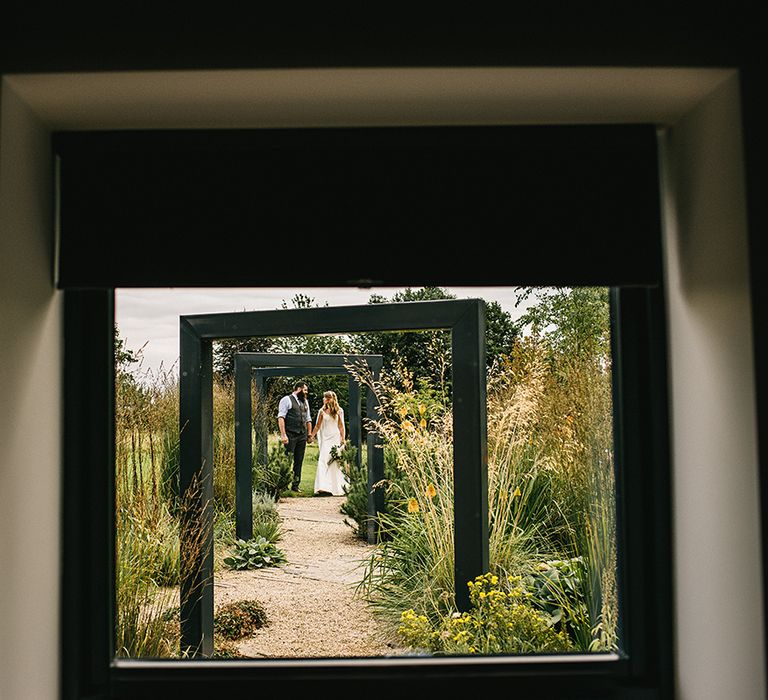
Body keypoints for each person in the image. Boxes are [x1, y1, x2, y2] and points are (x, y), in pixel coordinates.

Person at [309, 390, 348, 496]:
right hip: (325, 438)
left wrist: (343, 439)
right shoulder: (322, 411)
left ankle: (334, 487)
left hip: (335, 438)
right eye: (325, 397)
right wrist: (311, 436)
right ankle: (322, 487)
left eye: (327, 397)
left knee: (334, 462)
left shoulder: (339, 411)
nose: (325, 399)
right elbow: (317, 426)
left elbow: (341, 426)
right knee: (323, 461)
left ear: (332, 399)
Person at [277, 381, 312, 492]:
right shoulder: (286, 400)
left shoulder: (305, 402)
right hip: (290, 434)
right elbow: (281, 417)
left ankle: (295, 485)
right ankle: (283, 485)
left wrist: (309, 434)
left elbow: (308, 419)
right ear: (298, 389)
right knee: (287, 460)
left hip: (302, 435)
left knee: (299, 460)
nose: (306, 392)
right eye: (305, 390)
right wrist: (283, 434)